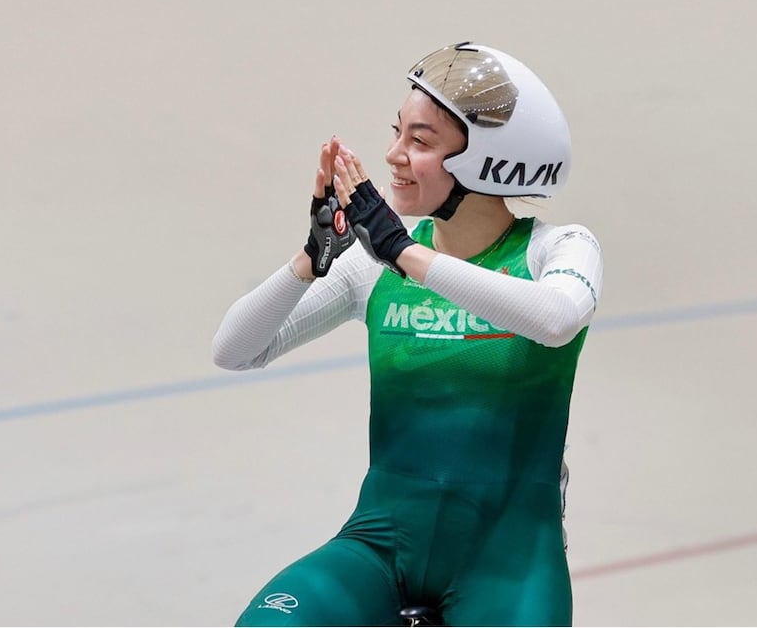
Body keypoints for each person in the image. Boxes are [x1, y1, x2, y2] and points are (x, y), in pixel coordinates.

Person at [213, 42, 604, 627]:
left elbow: (555, 318)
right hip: (378, 546)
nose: (393, 156)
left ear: (487, 162)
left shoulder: (558, 248)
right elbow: (234, 351)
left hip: (507, 560)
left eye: (420, 143)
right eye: (397, 134)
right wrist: (310, 259)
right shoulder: (371, 266)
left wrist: (406, 252)